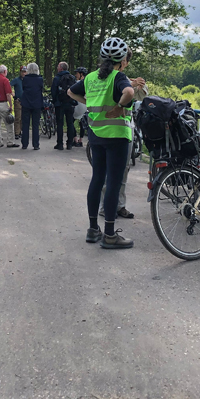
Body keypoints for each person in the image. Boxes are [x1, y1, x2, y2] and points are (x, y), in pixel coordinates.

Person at [67, 37, 135, 249]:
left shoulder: (90, 78)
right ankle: (110, 234)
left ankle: (92, 229)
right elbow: (130, 92)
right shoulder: (118, 76)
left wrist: (89, 102)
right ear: (122, 60)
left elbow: (70, 91)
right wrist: (118, 107)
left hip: (96, 134)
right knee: (113, 182)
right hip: (117, 136)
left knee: (97, 179)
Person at [100, 77, 148, 219]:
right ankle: (105, 207)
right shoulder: (106, 77)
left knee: (124, 168)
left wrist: (140, 87)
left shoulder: (126, 79)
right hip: (108, 128)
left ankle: (120, 205)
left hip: (126, 128)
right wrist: (131, 86)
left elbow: (141, 96)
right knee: (108, 169)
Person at [51, 62, 76, 150]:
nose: (57, 67)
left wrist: (55, 101)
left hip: (60, 104)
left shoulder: (57, 78)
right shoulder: (72, 78)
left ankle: (60, 144)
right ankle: (69, 144)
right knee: (70, 123)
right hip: (70, 103)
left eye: (58, 66)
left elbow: (53, 92)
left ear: (61, 68)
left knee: (60, 124)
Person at [20, 62, 44, 150]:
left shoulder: (25, 79)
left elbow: (23, 88)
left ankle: (24, 144)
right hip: (37, 103)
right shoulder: (40, 79)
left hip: (26, 102)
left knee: (25, 124)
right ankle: (36, 144)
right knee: (35, 124)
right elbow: (41, 88)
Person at [0, 65, 18, 148]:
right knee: (9, 123)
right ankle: (10, 142)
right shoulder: (5, 80)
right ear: (4, 72)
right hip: (3, 103)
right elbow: (8, 94)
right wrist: (11, 105)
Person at [72, 67, 88, 147]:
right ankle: (81, 140)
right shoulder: (88, 82)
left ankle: (75, 139)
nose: (76, 75)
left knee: (71, 122)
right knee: (82, 123)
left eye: (77, 73)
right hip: (85, 105)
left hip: (78, 104)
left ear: (81, 74)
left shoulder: (77, 83)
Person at [9, 66, 26, 139]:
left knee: (23, 117)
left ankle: (21, 131)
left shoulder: (27, 80)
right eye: (22, 72)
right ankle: (17, 132)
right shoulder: (16, 80)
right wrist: (13, 95)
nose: (24, 73)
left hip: (26, 101)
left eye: (25, 72)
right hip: (18, 101)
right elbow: (8, 86)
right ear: (20, 72)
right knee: (18, 117)